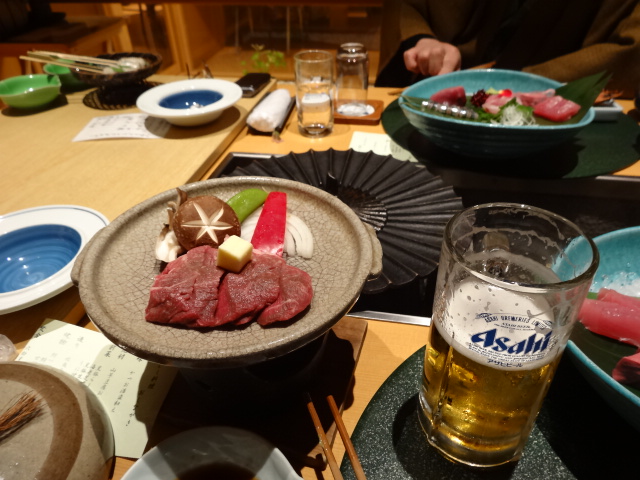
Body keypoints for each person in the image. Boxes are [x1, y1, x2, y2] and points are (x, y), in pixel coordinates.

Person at [376, 0, 640, 98]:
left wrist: (520, 80)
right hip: (447, 85)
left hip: (556, 94)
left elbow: (630, 51)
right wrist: (423, 40)